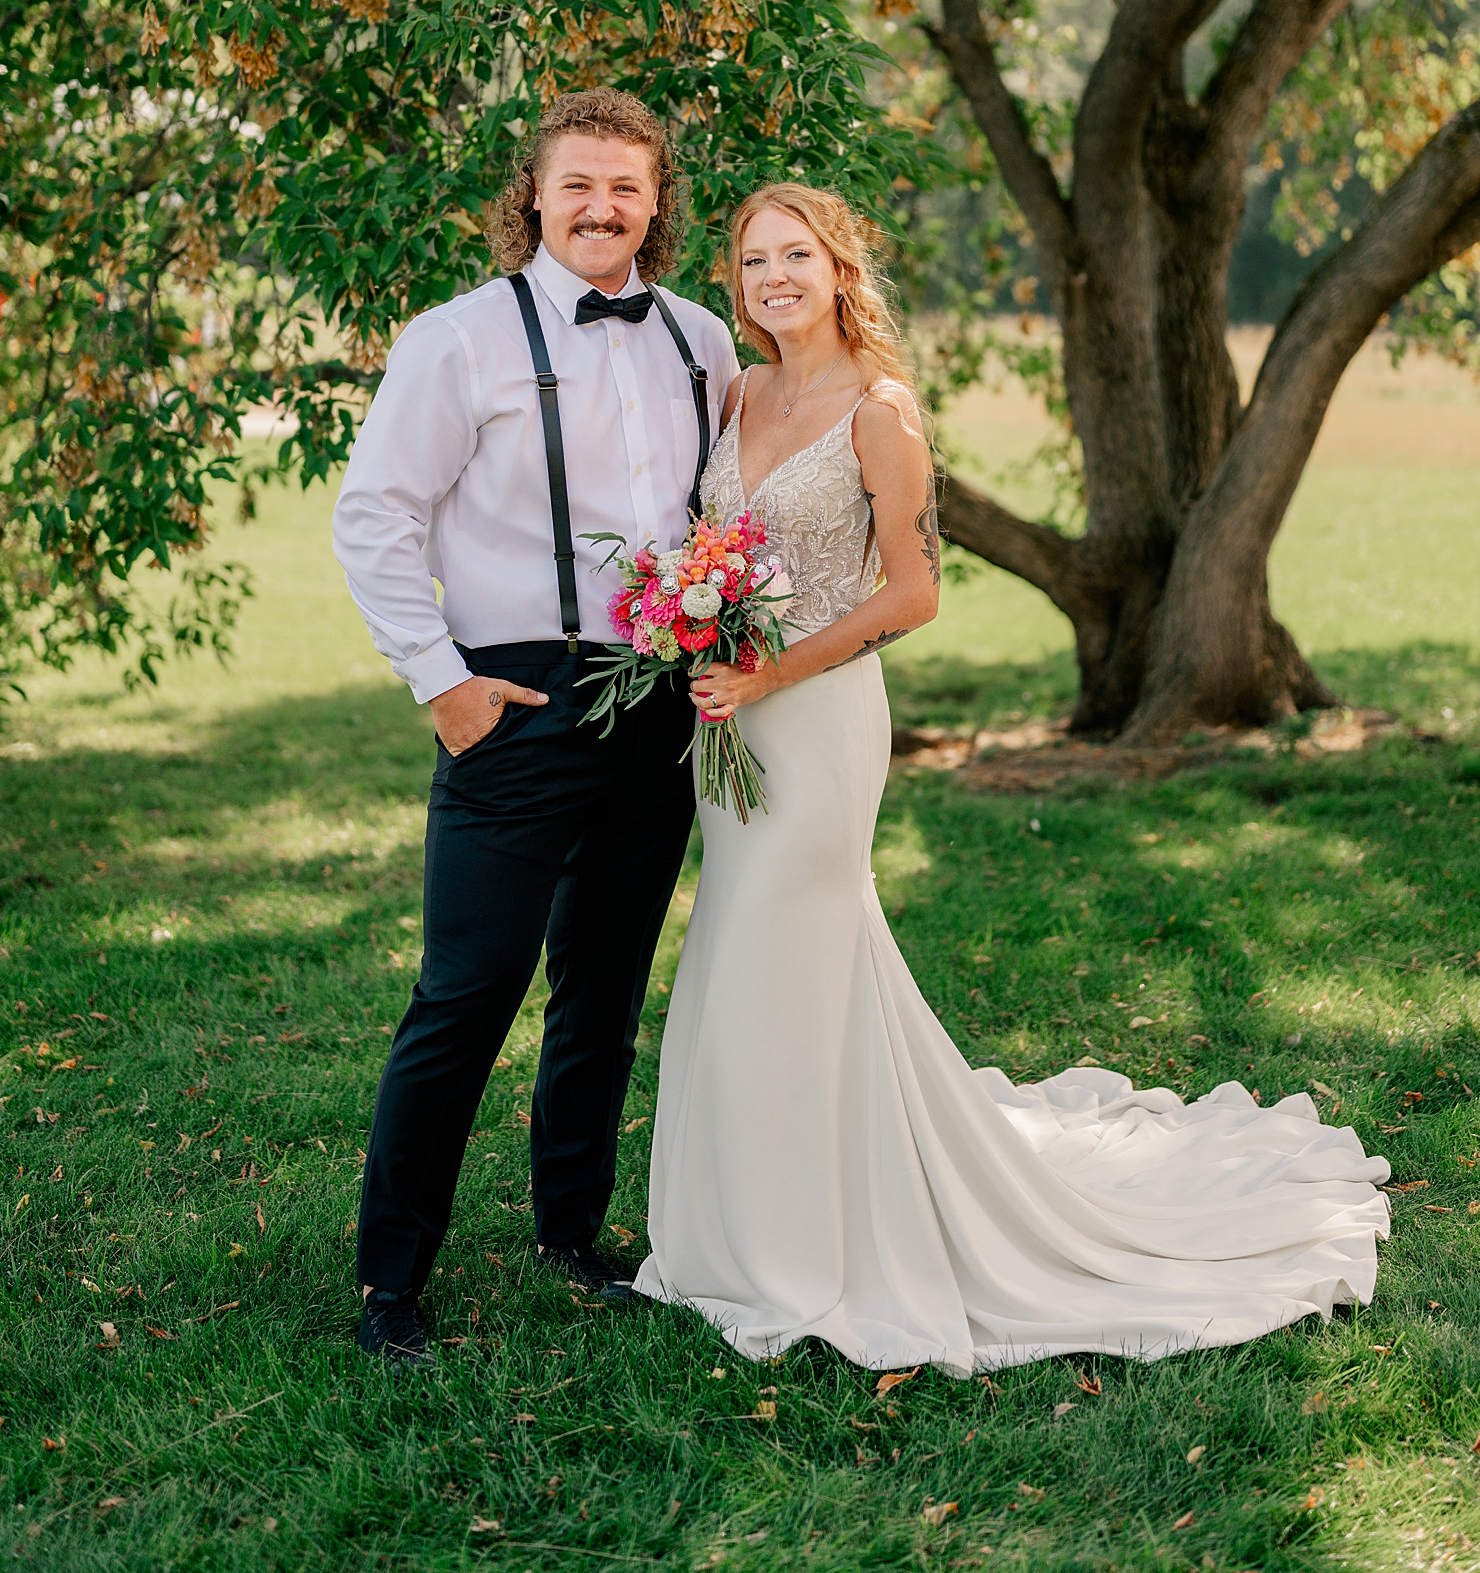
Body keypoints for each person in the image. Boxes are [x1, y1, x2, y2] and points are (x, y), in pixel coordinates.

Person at [633, 184, 1390, 1373]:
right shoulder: (736, 387)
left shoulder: (880, 410)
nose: (773, 276)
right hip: (731, 715)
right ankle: (736, 1230)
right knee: (740, 947)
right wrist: (699, 626)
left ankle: (811, 1243)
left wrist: (773, 671)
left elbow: (914, 590)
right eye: (753, 258)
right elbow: (712, 545)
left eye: (796, 255)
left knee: (787, 938)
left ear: (839, 269)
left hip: (816, 716)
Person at [332, 90, 738, 1369]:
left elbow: (722, 512)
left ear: (658, 202)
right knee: (465, 992)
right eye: (579, 186)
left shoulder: (701, 338)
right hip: (510, 696)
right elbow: (376, 513)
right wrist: (439, 678)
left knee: (605, 987)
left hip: (659, 695)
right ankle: (391, 1281)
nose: (604, 207)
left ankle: (574, 1231)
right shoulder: (456, 340)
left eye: (627, 186)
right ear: (537, 196)